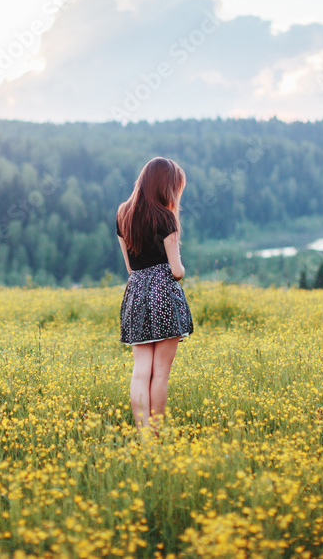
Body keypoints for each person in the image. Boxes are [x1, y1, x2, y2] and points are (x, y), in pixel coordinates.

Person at [115, 156, 194, 440]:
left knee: (140, 370)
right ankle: (155, 437)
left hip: (135, 293)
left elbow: (129, 268)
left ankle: (142, 435)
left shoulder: (122, 213)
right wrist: (181, 266)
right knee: (160, 372)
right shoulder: (166, 217)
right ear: (166, 186)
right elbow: (176, 270)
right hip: (162, 294)